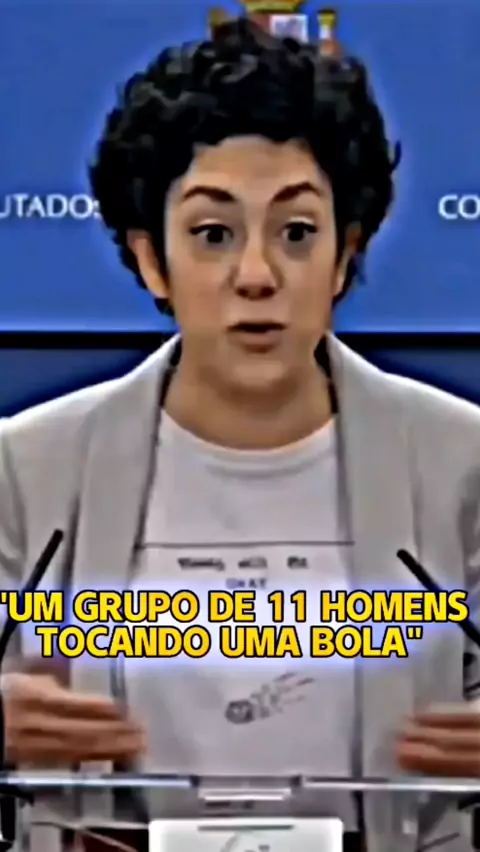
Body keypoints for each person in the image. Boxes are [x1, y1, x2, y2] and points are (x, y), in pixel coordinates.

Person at [1, 16, 480, 852]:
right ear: (150, 260)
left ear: (344, 255)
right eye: (213, 234)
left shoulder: (462, 463)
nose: (256, 276)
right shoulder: (28, 468)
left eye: (296, 233)